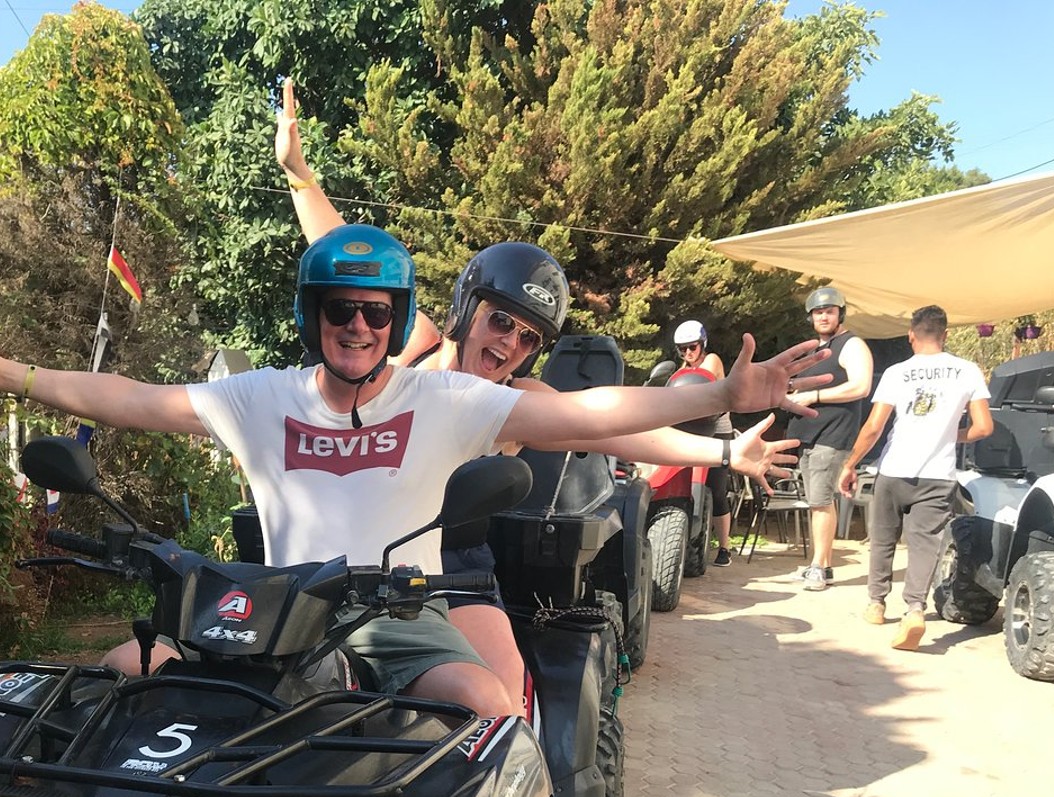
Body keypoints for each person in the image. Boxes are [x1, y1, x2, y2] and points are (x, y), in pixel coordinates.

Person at [2, 223, 829, 716]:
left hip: (402, 611)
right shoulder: (259, 397)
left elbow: (591, 417)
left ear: (397, 322)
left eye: (376, 312)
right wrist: (14, 373)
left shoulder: (449, 402)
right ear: (314, 314)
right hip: (278, 611)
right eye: (341, 309)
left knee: (489, 704)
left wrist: (721, 401)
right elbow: (129, 397)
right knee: (114, 678)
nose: (358, 326)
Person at [274, 79, 816, 698]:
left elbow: (615, 426)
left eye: (529, 337)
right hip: (352, 552)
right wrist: (298, 175)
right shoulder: (412, 348)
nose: (510, 343)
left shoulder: (520, 401)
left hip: (451, 569)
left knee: (504, 700)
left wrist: (723, 450)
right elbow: (345, 259)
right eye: (501, 321)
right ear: (467, 309)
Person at [838, 305, 993, 651]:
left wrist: (850, 464)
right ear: (945, 335)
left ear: (911, 335)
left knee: (883, 537)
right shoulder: (968, 371)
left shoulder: (897, 373)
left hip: (894, 469)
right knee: (925, 544)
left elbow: (874, 427)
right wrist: (952, 436)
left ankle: (876, 603)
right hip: (938, 475)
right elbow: (984, 427)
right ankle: (914, 610)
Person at [784, 286, 873, 590]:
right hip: (809, 436)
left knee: (821, 503)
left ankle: (819, 569)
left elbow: (861, 386)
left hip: (832, 436)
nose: (823, 317)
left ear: (840, 314)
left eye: (829, 311)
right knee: (817, 503)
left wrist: (815, 396)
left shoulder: (852, 345)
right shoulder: (817, 349)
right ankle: (821, 565)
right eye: (818, 312)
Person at [672, 319, 734, 566]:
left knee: (717, 489)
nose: (688, 352)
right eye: (682, 348)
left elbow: (703, 381)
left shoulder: (712, 361)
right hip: (692, 431)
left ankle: (725, 547)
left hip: (717, 430)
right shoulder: (681, 370)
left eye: (692, 346)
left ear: (702, 344)